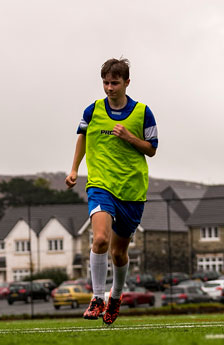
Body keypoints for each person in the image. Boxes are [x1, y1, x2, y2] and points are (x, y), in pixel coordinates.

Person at [65, 58, 158, 325]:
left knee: (118, 253)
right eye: (105, 82)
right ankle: (96, 297)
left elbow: (152, 148)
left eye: (114, 83)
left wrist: (130, 137)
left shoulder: (143, 112)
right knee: (100, 239)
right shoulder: (92, 111)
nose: (109, 88)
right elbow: (82, 137)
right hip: (100, 184)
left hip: (131, 189)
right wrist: (74, 169)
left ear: (127, 82)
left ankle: (115, 297)